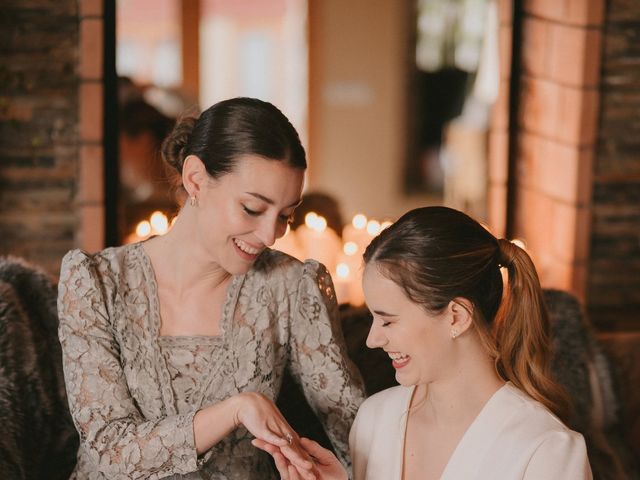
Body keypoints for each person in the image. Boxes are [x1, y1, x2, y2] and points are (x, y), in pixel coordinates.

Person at [57, 97, 366, 479]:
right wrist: (236, 409)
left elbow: (353, 428)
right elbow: (109, 448)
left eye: (285, 215)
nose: (270, 234)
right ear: (196, 179)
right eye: (253, 209)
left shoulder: (292, 286)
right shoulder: (95, 282)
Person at [255, 206, 592, 479]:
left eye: (388, 320)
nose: (373, 339)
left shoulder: (546, 449)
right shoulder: (375, 420)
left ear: (456, 317)